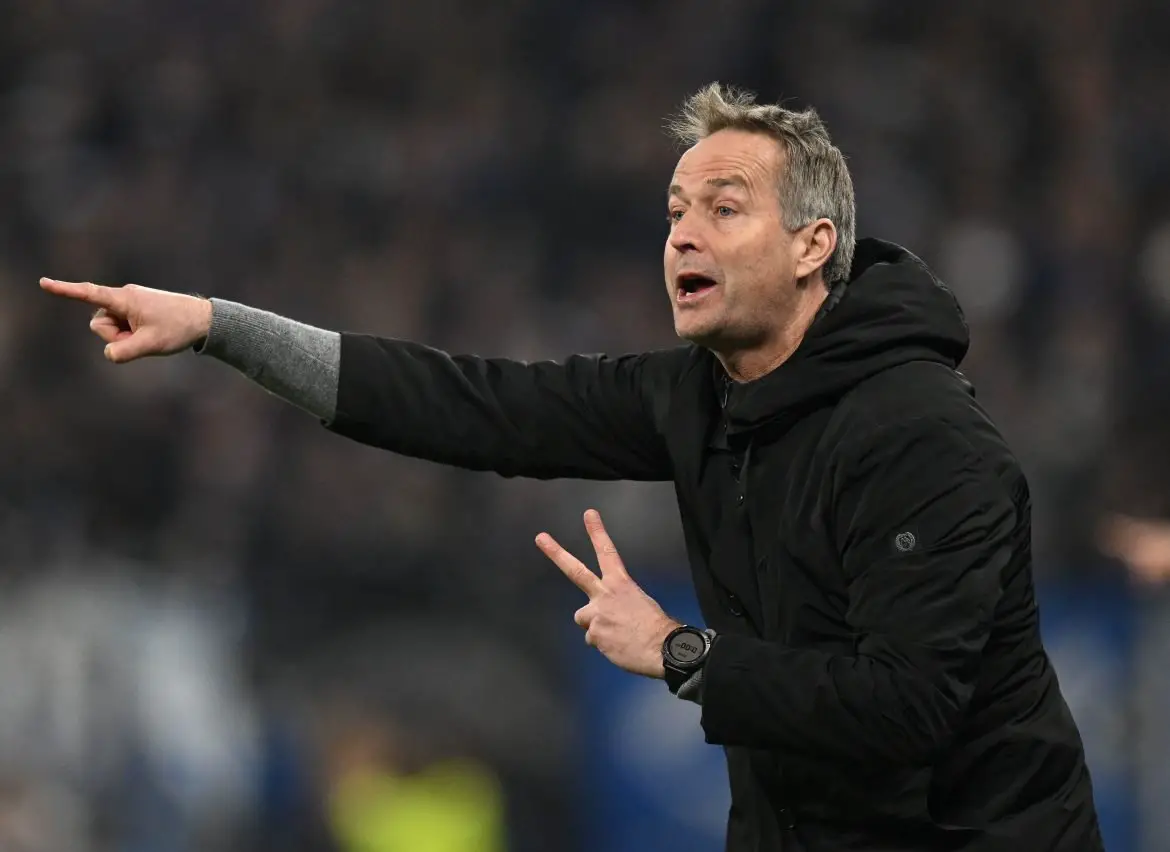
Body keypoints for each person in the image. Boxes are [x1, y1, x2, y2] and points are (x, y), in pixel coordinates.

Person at [42, 83, 1104, 852]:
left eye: (723, 208)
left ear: (812, 246)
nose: (682, 234)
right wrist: (221, 326)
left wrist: (682, 653)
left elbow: (905, 708)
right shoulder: (697, 397)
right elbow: (469, 407)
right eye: (676, 211)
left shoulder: (923, 437)